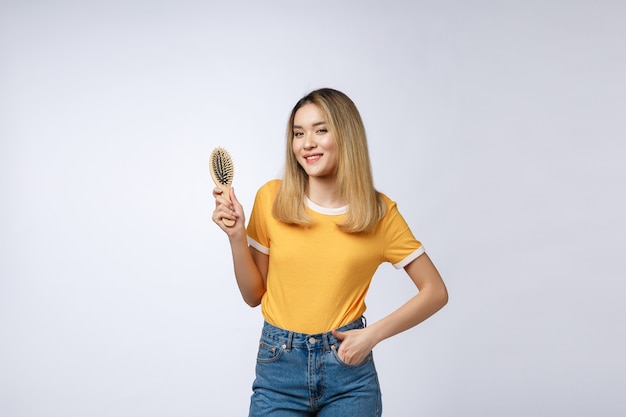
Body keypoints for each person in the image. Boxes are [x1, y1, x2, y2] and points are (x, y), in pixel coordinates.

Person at [212, 88, 448, 417]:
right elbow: (254, 295)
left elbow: (435, 291)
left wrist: (372, 335)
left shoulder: (379, 213)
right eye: (298, 133)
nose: (306, 143)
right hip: (279, 368)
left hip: (348, 374)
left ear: (345, 135)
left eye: (320, 130)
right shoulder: (272, 198)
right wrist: (236, 236)